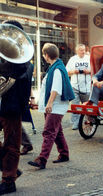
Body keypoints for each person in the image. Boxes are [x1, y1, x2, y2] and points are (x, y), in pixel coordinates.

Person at [28, 43, 74, 169]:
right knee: (57, 131)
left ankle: (42, 159)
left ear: (46, 55)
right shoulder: (55, 67)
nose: (44, 56)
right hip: (54, 105)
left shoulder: (57, 69)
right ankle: (64, 154)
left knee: (48, 131)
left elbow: (55, 89)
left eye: (44, 54)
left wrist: (49, 103)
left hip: (56, 106)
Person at [0, 20, 33, 194]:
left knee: (12, 144)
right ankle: (8, 167)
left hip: (11, 107)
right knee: (9, 147)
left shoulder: (23, 60)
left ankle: (8, 180)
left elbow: (19, 77)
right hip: (3, 104)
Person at [66, 44, 91, 130]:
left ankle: (90, 122)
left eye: (84, 50)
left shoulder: (89, 58)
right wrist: (73, 71)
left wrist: (88, 71)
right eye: (81, 50)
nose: (83, 51)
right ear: (77, 51)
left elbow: (95, 70)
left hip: (86, 87)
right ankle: (75, 123)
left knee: (87, 107)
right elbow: (67, 72)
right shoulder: (72, 59)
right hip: (75, 86)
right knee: (75, 106)